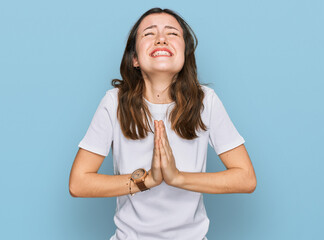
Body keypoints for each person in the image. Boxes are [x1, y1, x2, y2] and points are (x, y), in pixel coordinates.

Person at [69, 7, 257, 240]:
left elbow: (246, 178)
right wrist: (146, 181)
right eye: (149, 34)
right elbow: (78, 183)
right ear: (135, 59)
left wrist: (176, 177)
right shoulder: (113, 102)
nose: (161, 39)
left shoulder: (206, 101)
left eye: (172, 34)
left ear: (185, 54)